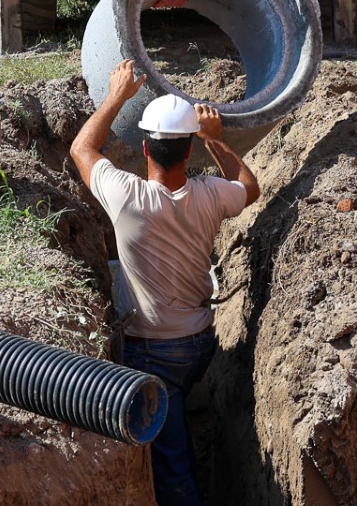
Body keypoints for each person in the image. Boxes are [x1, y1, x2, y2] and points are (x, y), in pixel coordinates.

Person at [70, 61, 259, 506]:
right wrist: (216, 139)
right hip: (198, 343)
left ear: (144, 149)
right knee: (174, 417)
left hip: (149, 351)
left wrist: (117, 95)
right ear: (189, 152)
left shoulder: (125, 195)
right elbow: (249, 186)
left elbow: (82, 148)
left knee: (171, 462)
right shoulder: (212, 193)